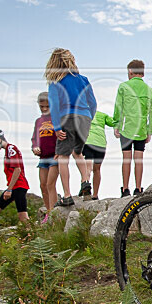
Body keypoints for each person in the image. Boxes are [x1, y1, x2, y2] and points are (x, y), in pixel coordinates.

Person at [45, 48, 97, 207]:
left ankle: (67, 195)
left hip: (67, 118)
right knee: (78, 152)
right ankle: (85, 181)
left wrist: (57, 127)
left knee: (63, 157)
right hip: (85, 118)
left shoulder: (56, 82)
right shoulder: (83, 79)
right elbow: (93, 103)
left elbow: (54, 106)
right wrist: (88, 118)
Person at [113, 59, 152, 197]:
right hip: (141, 129)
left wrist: (116, 125)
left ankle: (125, 189)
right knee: (139, 159)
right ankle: (138, 189)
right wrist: (150, 131)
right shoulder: (150, 91)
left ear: (130, 71)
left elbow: (118, 108)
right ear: (142, 73)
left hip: (126, 128)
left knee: (126, 158)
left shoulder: (123, 87)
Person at [0, 129, 30, 241]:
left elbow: (17, 169)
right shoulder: (8, 151)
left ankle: (30, 236)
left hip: (18, 186)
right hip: (15, 186)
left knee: (22, 215)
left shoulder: (11, 149)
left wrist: (9, 189)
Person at [31, 91, 58, 223]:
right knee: (43, 185)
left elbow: (62, 136)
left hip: (55, 157)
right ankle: (48, 211)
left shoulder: (57, 119)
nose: (45, 109)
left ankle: (53, 212)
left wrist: (60, 151)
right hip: (43, 158)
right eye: (42, 107)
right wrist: (35, 147)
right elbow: (34, 138)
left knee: (50, 184)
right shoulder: (38, 121)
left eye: (47, 106)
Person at [82, 110, 117, 200]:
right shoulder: (102, 115)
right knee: (97, 169)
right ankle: (95, 195)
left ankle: (86, 186)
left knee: (87, 167)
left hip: (88, 142)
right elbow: (114, 122)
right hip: (101, 145)